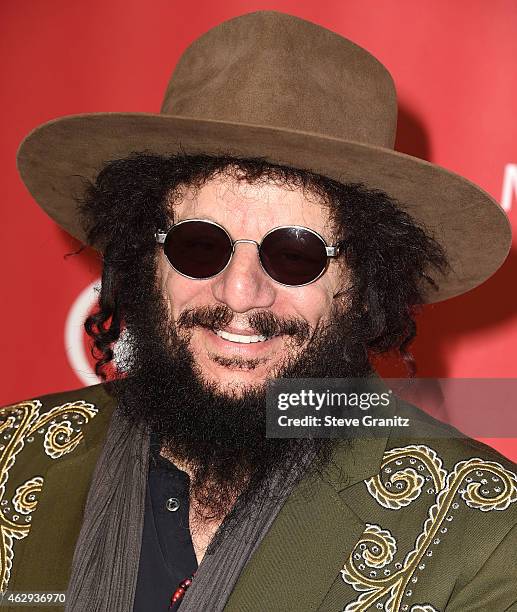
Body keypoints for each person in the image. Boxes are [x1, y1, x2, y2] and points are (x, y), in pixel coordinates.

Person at [3, 10, 516, 612]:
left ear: (363, 281)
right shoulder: (14, 456)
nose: (240, 294)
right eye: (200, 245)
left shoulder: (479, 529)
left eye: (294, 255)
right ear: (147, 256)